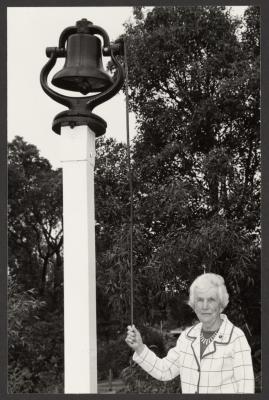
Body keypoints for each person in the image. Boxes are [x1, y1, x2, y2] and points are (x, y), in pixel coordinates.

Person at [125, 273, 254, 394]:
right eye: (199, 300)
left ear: (221, 304)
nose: (204, 306)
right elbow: (164, 371)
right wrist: (140, 347)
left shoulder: (236, 338)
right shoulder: (186, 337)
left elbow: (245, 388)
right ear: (193, 305)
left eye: (211, 300)